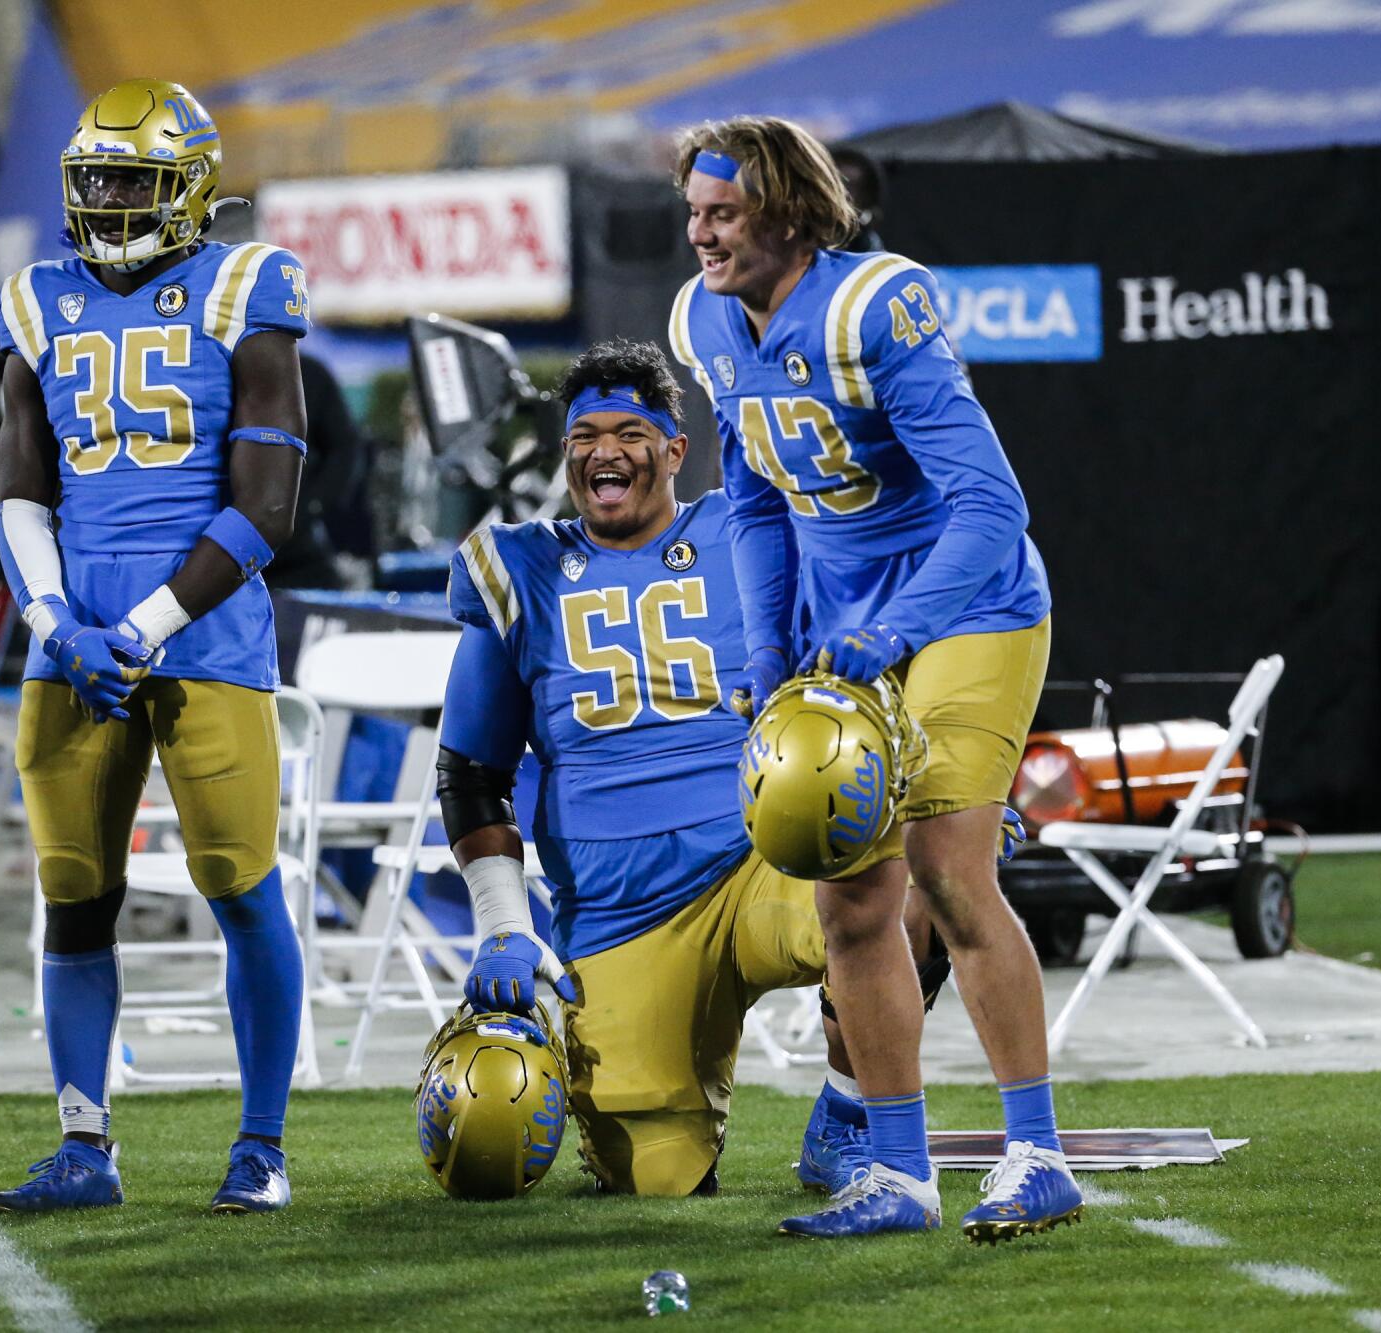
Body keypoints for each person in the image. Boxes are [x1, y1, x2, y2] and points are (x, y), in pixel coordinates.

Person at [668, 115, 1073, 1243]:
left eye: (722, 214)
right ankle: (895, 1171)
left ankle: (1034, 1153)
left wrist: (894, 626)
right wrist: (762, 647)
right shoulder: (701, 317)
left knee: (946, 867)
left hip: (966, 607)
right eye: (693, 213)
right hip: (841, 622)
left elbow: (993, 508)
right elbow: (752, 499)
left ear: (788, 212)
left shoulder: (871, 306)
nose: (699, 235)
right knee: (850, 900)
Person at [439, 339, 948, 1197]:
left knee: (922, 885)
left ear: (676, 449)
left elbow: (860, 661)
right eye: (585, 435)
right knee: (651, 1174)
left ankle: (852, 1110)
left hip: (767, 857)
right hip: (618, 910)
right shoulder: (517, 566)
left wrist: (933, 783)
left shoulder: (746, 529)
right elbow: (470, 771)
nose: (605, 450)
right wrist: (500, 921)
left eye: (631, 432)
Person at [0, 79, 310, 1216]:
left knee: (238, 882)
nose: (115, 198)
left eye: (137, 178)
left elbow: (265, 506)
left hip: (204, 627)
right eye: (100, 179)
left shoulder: (242, 284)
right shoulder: (35, 299)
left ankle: (261, 1144)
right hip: (71, 634)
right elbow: (20, 492)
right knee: (75, 893)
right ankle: (83, 1144)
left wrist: (139, 627)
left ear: (192, 190)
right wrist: (52, 623)